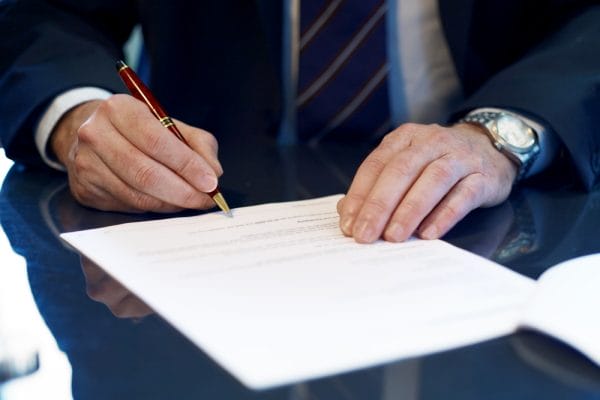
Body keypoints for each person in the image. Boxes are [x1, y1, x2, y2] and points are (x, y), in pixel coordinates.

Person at [0, 1, 598, 244]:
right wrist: (77, 112)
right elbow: (43, 12)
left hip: (504, 221)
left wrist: (503, 131)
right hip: (199, 203)